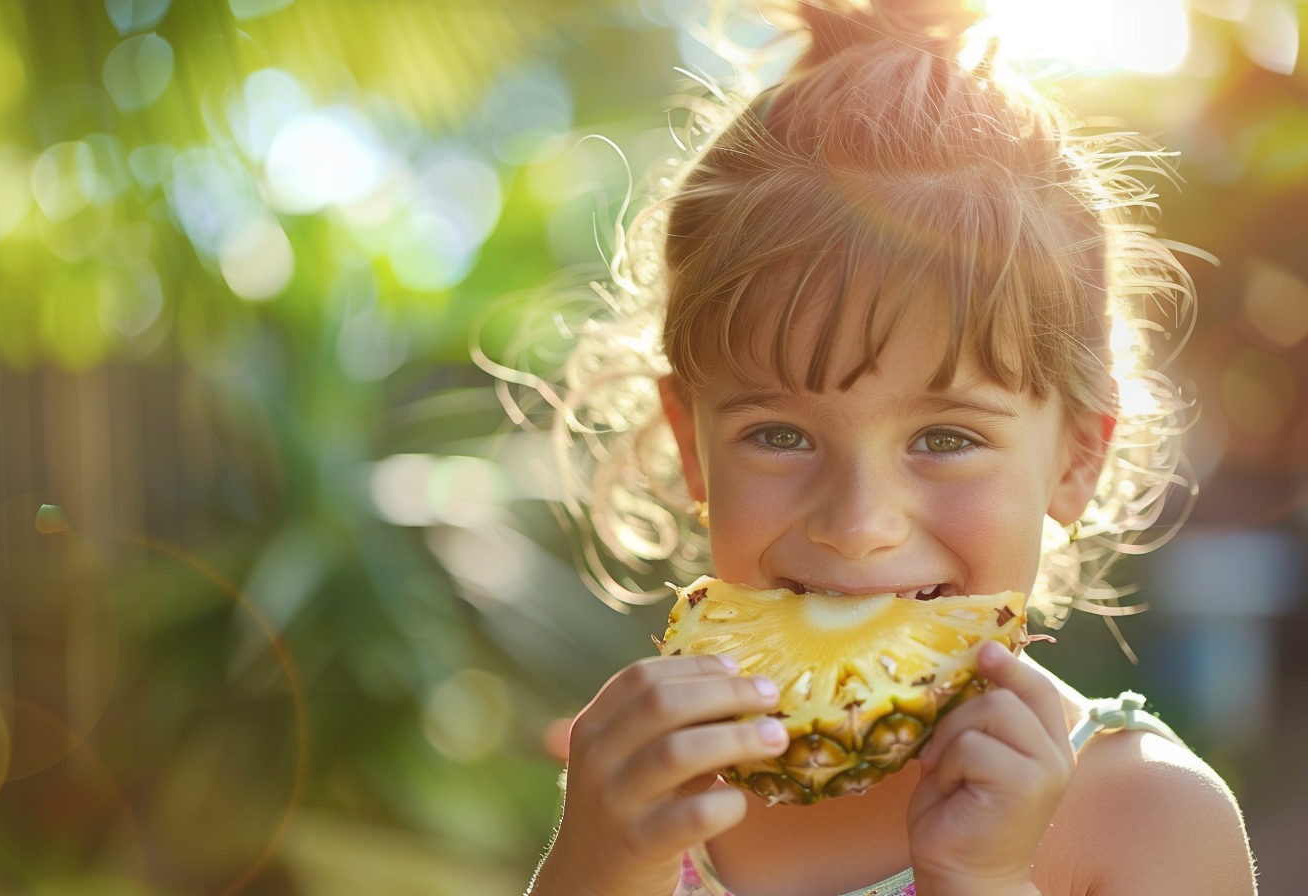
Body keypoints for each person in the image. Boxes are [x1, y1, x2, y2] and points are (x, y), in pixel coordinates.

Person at [512, 2, 1259, 894]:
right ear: (691, 446)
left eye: (946, 438)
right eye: (779, 435)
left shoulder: (1148, 819)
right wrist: (592, 866)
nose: (858, 524)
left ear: (1074, 462)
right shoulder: (654, 791)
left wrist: (986, 881)